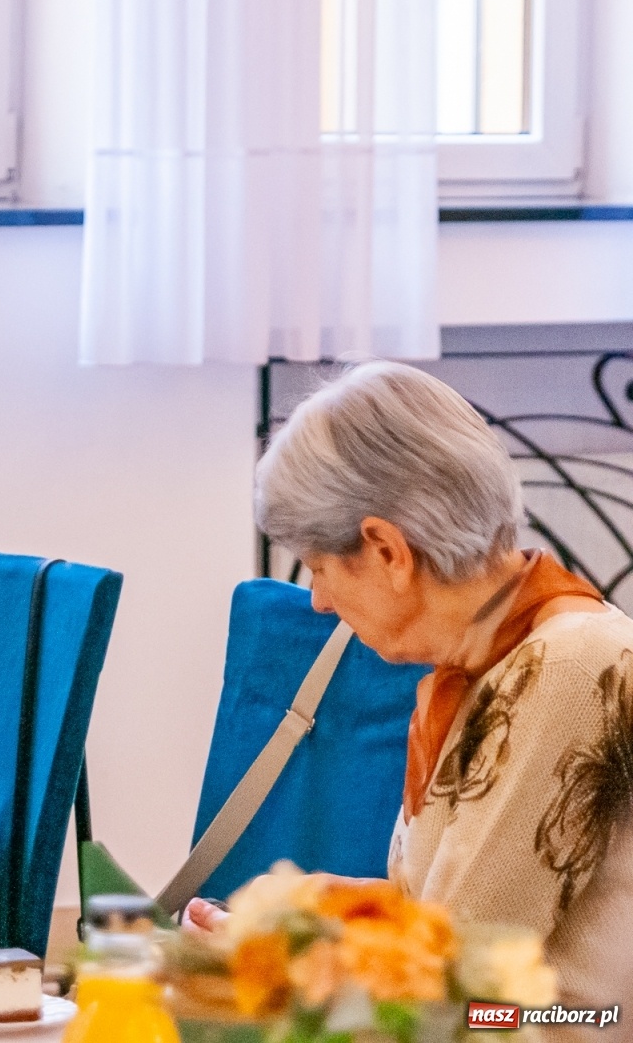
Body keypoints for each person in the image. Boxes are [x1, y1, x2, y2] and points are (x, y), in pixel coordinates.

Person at [188, 361, 633, 1017]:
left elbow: (464, 989)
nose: (317, 602)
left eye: (319, 568)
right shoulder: (489, 663)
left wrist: (285, 965)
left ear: (388, 551)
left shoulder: (567, 668)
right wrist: (320, 914)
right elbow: (449, 918)